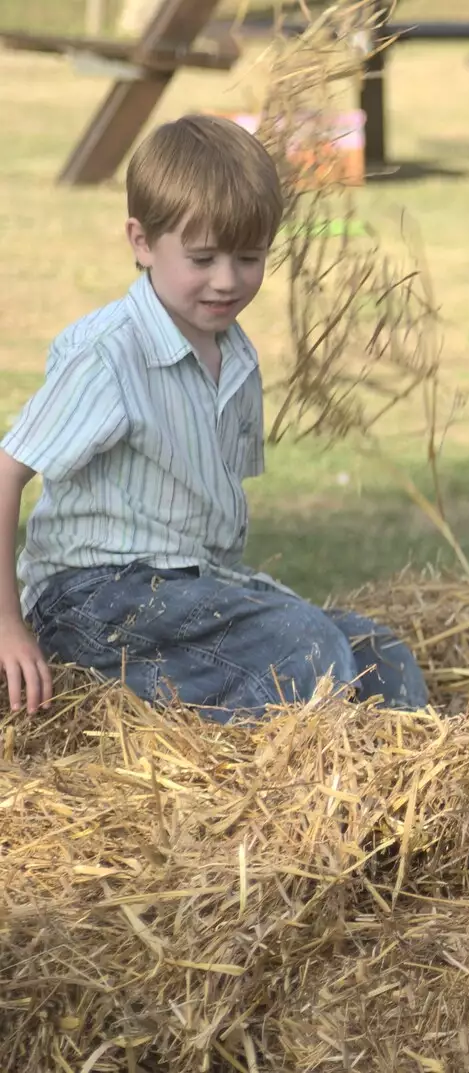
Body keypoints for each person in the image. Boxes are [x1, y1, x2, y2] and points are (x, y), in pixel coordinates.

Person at [0, 115, 427, 720]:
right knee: (306, 652)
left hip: (190, 587)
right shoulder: (111, 353)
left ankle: (386, 796)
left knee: (379, 654)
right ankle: (268, 792)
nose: (227, 281)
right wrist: (6, 626)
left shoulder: (235, 354)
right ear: (142, 242)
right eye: (202, 258)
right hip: (94, 601)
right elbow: (6, 471)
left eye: (250, 258)